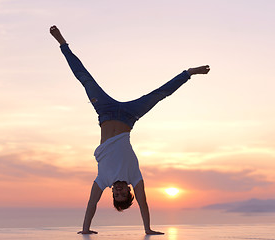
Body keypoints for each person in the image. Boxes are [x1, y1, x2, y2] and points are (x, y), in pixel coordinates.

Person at [50, 25, 210, 235]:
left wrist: (85, 229)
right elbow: (144, 204)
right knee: (159, 95)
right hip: (129, 116)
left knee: (85, 79)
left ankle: (62, 43)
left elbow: (91, 203)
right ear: (129, 192)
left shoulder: (103, 180)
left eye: (116, 195)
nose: (118, 191)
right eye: (123, 194)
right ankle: (188, 72)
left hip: (105, 112)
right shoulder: (135, 177)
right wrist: (148, 229)